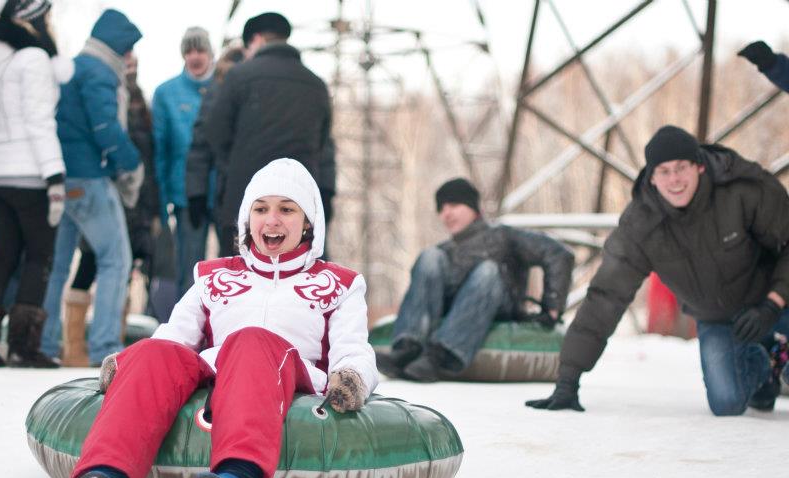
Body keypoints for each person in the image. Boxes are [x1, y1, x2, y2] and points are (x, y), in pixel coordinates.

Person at [68, 158, 378, 478]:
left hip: (287, 374)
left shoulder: (338, 283)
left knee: (251, 340)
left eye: (286, 209)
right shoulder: (214, 275)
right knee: (154, 352)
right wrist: (133, 365)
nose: (272, 221)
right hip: (218, 371)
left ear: (308, 222)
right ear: (247, 219)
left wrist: (351, 377)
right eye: (261, 209)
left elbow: (354, 348)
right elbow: (174, 338)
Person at [527, 125, 789, 416]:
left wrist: (773, 303)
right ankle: (766, 365)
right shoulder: (641, 225)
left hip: (777, 299)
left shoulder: (742, 190)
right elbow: (606, 296)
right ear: (651, 177)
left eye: (681, 168)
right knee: (727, 402)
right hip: (720, 319)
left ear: (699, 166)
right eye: (664, 171)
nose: (674, 179)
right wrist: (568, 380)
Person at [0, 0, 71, 368]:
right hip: (30, 172)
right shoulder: (32, 58)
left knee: (3, 254)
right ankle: (23, 346)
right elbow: (40, 122)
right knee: (40, 256)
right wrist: (54, 176)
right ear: (32, 16)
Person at [378, 178, 574, 382]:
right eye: (441, 208)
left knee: (487, 270)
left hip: (498, 307)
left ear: (473, 207)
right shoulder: (445, 252)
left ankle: (440, 355)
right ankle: (408, 348)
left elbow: (559, 254)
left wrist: (552, 304)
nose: (447, 213)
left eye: (454, 205)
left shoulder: (504, 236)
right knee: (429, 256)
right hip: (454, 311)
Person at [41, 9, 143, 366]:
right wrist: (130, 163)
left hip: (61, 177)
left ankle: (45, 343)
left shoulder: (71, 69)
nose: (129, 57)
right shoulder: (100, 72)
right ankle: (103, 348)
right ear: (116, 45)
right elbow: (105, 128)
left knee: (57, 264)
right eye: (127, 49)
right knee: (116, 260)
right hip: (89, 177)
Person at [61, 53, 161, 367]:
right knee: (89, 264)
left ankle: (107, 349)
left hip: (137, 202)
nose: (129, 66)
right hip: (104, 191)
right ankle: (75, 346)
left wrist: (152, 209)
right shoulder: (103, 96)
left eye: (134, 63)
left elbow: (151, 163)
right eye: (126, 61)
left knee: (124, 269)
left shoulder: (143, 108)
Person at [205, 12, 333, 258]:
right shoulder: (316, 84)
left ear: (256, 40)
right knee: (296, 281)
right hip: (298, 204)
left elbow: (215, 133)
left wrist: (234, 166)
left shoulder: (238, 77)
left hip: (247, 201)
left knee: (240, 277)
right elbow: (323, 144)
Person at [153, 27, 214, 294]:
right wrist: (162, 198)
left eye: (200, 50)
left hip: (223, 191)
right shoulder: (166, 93)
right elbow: (161, 150)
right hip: (185, 194)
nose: (195, 56)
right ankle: (185, 333)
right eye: (189, 51)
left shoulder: (226, 87)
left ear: (210, 53)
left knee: (234, 265)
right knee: (190, 268)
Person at [184, 45, 245, 257]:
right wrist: (196, 193)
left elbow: (199, 147)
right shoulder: (218, 92)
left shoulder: (217, 89)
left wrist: (196, 192)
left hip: (227, 191)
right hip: (226, 191)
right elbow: (201, 146)